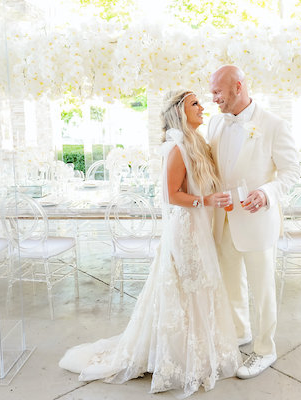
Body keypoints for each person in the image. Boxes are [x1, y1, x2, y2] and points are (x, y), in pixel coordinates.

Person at [59, 90, 241, 398]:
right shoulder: (177, 148)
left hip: (199, 227)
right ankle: (180, 357)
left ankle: (198, 349)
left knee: (200, 287)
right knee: (186, 288)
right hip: (185, 229)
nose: (202, 107)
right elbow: (172, 195)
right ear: (180, 113)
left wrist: (216, 201)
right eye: (194, 103)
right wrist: (205, 200)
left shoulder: (198, 143)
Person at [208, 65, 299, 379]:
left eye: (218, 91)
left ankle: (265, 349)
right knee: (230, 283)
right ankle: (239, 332)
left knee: (262, 290)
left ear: (237, 86)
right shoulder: (216, 124)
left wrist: (266, 192)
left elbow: (291, 172)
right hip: (223, 221)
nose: (213, 98)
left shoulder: (273, 124)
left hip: (257, 221)